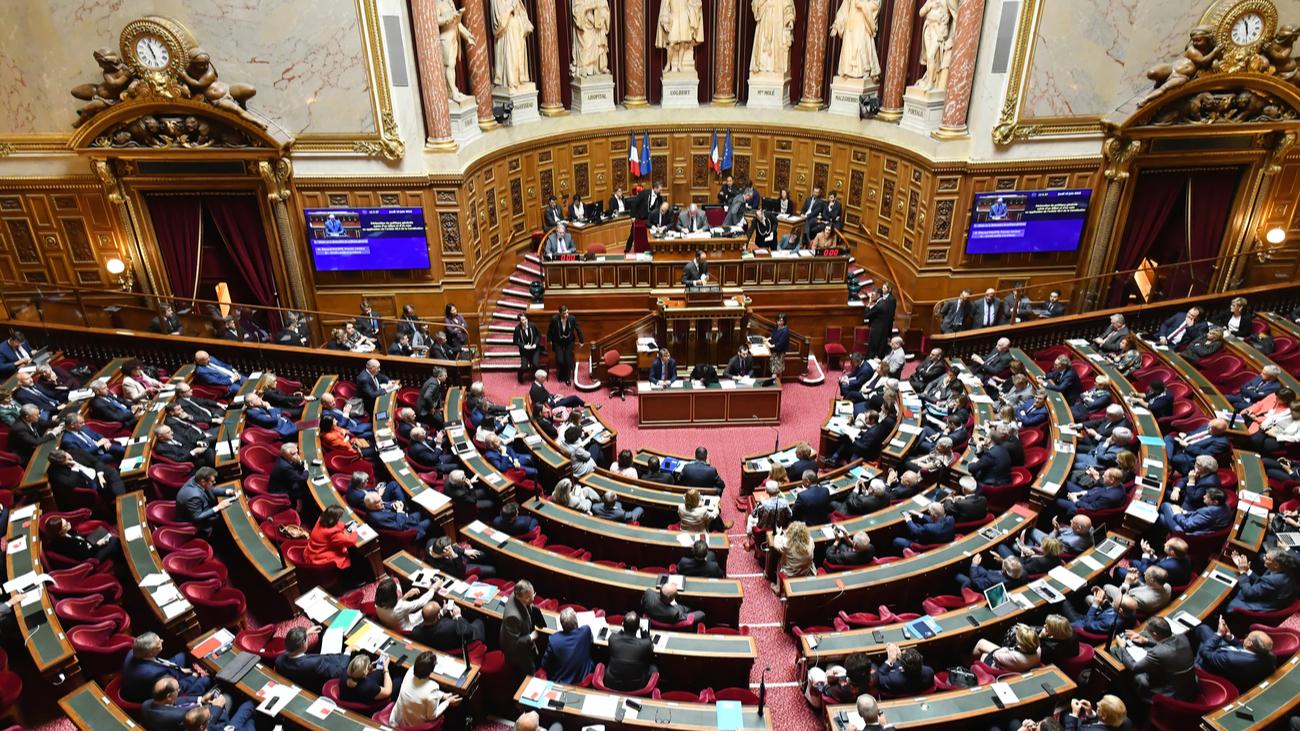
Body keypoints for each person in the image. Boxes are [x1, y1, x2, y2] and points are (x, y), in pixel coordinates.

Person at [1115, 617, 1199, 710]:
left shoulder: (1157, 653)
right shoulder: (1182, 637)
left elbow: (1134, 667)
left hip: (1172, 694)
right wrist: (1145, 640)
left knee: (1137, 676)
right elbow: (1169, 645)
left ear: (1155, 634)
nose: (1148, 635)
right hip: (1190, 685)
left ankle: (1137, 706)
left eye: (1149, 634)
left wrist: (1122, 647)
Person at [121, 631, 213, 704]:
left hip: (160, 670)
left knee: (183, 655)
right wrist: (194, 675)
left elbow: (157, 661)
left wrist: (181, 669)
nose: (162, 640)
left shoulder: (133, 652)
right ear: (151, 653)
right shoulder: (154, 674)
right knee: (205, 680)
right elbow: (177, 687)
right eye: (159, 643)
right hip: (157, 694)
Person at [1191, 616, 1275, 689]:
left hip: (1213, 665)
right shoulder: (1270, 656)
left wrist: (1219, 634)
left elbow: (1205, 652)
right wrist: (1229, 636)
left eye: (1247, 636)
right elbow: (1243, 649)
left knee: (1202, 644)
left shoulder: (1231, 659)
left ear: (1249, 643)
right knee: (1203, 629)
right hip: (1229, 655)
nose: (1246, 637)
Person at [390, 651, 459, 727]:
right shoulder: (433, 687)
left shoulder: (410, 671)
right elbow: (432, 716)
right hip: (415, 727)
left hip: (397, 720)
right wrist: (448, 701)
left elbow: (422, 693)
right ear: (432, 670)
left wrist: (444, 695)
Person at [275, 626, 352, 693]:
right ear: (303, 644)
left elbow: (292, 642)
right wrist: (347, 653)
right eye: (306, 639)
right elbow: (338, 672)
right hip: (317, 684)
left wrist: (307, 633)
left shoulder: (279, 660)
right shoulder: (314, 663)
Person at [1227, 548, 1297, 612]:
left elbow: (1248, 593)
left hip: (1263, 606)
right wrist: (1247, 570)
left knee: (1229, 603)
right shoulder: (1284, 569)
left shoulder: (1273, 580)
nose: (1263, 558)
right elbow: (1262, 581)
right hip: (1270, 596)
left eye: (1266, 558)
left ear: (1276, 565)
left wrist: (1242, 572)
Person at [541, 607, 595, 685]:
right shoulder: (586, 631)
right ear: (576, 621)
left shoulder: (553, 640)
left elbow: (545, 664)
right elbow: (591, 641)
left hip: (563, 681)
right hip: (584, 678)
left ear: (562, 624)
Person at [175, 467, 235, 537]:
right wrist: (218, 507)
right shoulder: (194, 496)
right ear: (203, 481)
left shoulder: (197, 479)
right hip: (199, 524)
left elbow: (210, 488)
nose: (214, 482)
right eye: (212, 481)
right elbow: (197, 517)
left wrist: (227, 491)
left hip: (204, 507)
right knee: (228, 523)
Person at [605, 612, 656, 691]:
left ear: (622, 624)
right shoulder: (645, 644)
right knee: (653, 668)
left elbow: (618, 635)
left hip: (613, 683)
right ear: (638, 627)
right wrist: (643, 631)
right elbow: (650, 643)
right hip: (636, 686)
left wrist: (623, 628)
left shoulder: (612, 639)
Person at [1114, 537, 1191, 588]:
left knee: (1118, 570)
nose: (1164, 544)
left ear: (1172, 552)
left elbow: (1146, 573)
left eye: (1166, 545)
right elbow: (1160, 562)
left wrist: (1146, 554)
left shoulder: (1165, 566)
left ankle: (1117, 585)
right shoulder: (1185, 556)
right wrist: (1151, 554)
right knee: (1134, 562)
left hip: (1152, 583)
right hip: (1164, 575)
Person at [500, 579, 542, 675]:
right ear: (518, 597)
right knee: (530, 670)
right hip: (517, 652)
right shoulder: (513, 617)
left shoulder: (517, 595)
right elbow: (514, 643)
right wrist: (531, 637)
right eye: (528, 597)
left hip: (522, 632)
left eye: (533, 595)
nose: (532, 599)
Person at [412, 599, 486, 651]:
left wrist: (442, 612)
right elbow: (468, 632)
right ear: (437, 616)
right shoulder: (450, 626)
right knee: (478, 621)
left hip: (438, 646)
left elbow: (429, 619)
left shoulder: (415, 632)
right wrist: (458, 616)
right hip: (459, 645)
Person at [43, 514, 119, 563]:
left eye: (66, 521)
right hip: (91, 557)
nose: (69, 523)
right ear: (60, 532)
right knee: (114, 539)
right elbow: (85, 555)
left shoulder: (66, 532)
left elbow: (79, 538)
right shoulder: (65, 545)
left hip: (86, 544)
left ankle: (115, 555)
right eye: (66, 525)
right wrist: (98, 544)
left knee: (104, 531)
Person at [1158, 486, 1232, 535]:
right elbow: (1198, 514)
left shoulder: (1208, 512)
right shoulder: (1226, 506)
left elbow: (1187, 525)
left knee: (1165, 506)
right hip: (1196, 525)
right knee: (1162, 517)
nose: (1204, 496)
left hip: (1186, 532)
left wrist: (1178, 513)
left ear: (1215, 502)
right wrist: (1184, 512)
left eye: (1207, 496)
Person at [305, 504, 358, 570]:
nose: (340, 519)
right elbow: (351, 541)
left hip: (311, 552)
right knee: (353, 555)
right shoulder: (333, 533)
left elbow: (333, 525)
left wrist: (344, 525)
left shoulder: (321, 519)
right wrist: (354, 531)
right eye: (339, 517)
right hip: (320, 557)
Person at [1103, 566, 1172, 616]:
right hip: (1144, 594)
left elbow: (1122, 600)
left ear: (1152, 580)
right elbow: (1147, 587)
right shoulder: (1167, 586)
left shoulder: (1143, 599)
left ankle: (1108, 604)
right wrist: (1136, 580)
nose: (1144, 573)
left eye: (1146, 573)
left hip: (1125, 599)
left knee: (1107, 586)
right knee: (1119, 571)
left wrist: (1126, 583)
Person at [974, 623, 1042, 673]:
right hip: (1016, 665)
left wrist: (1008, 649)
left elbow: (996, 655)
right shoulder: (1038, 650)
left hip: (1000, 666)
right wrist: (1027, 630)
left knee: (983, 650)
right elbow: (1033, 638)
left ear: (1021, 645)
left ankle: (967, 664)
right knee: (982, 643)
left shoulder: (1015, 657)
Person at [428, 535, 497, 579]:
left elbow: (453, 547)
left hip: (460, 555)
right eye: (449, 549)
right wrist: (454, 555)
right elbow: (460, 573)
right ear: (444, 552)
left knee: (482, 554)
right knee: (492, 569)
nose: (450, 549)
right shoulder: (442, 565)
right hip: (461, 566)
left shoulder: (432, 542)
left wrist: (464, 551)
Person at [547, 307, 584, 386]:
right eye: (564, 313)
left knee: (568, 360)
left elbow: (578, 329)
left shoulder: (572, 318)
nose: (567, 315)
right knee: (560, 360)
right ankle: (560, 376)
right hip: (558, 341)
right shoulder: (554, 319)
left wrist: (581, 340)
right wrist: (549, 340)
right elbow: (550, 330)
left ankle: (567, 378)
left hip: (569, 341)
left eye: (567, 313)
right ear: (560, 313)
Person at [955, 553, 1025, 592]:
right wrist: (1002, 560)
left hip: (978, 585)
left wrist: (974, 564)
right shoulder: (1023, 574)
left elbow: (975, 581)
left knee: (957, 575)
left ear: (1005, 570)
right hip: (989, 574)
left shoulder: (993, 580)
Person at [862, 283, 897, 359]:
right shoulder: (884, 303)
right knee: (879, 350)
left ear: (878, 295)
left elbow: (867, 315)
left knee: (872, 350)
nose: (871, 296)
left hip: (876, 331)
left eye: (873, 294)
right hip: (882, 330)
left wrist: (869, 303)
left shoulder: (879, 306)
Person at [1062, 695, 1130, 731]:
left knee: (1066, 716)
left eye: (1098, 707)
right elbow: (1102, 721)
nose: (1097, 703)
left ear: (1104, 715)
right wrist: (1090, 712)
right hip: (1092, 725)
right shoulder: (1125, 722)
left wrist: (1074, 714)